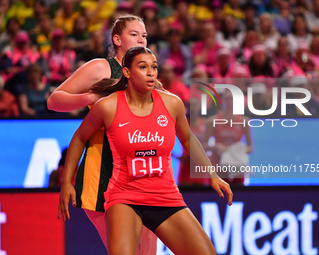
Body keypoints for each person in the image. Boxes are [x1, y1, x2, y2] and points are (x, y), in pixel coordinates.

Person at [59, 46, 233, 255]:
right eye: (143, 67)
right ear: (127, 72)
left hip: (166, 196)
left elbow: (187, 139)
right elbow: (79, 137)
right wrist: (67, 181)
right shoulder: (108, 106)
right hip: (125, 198)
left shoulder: (171, 104)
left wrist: (212, 174)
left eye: (154, 67)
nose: (151, 72)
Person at [47, 14, 157, 255]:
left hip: (141, 173)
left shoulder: (148, 74)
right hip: (103, 173)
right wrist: (90, 98)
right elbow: (54, 101)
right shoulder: (102, 67)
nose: (142, 39)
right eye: (134, 34)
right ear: (117, 39)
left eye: (145, 35)